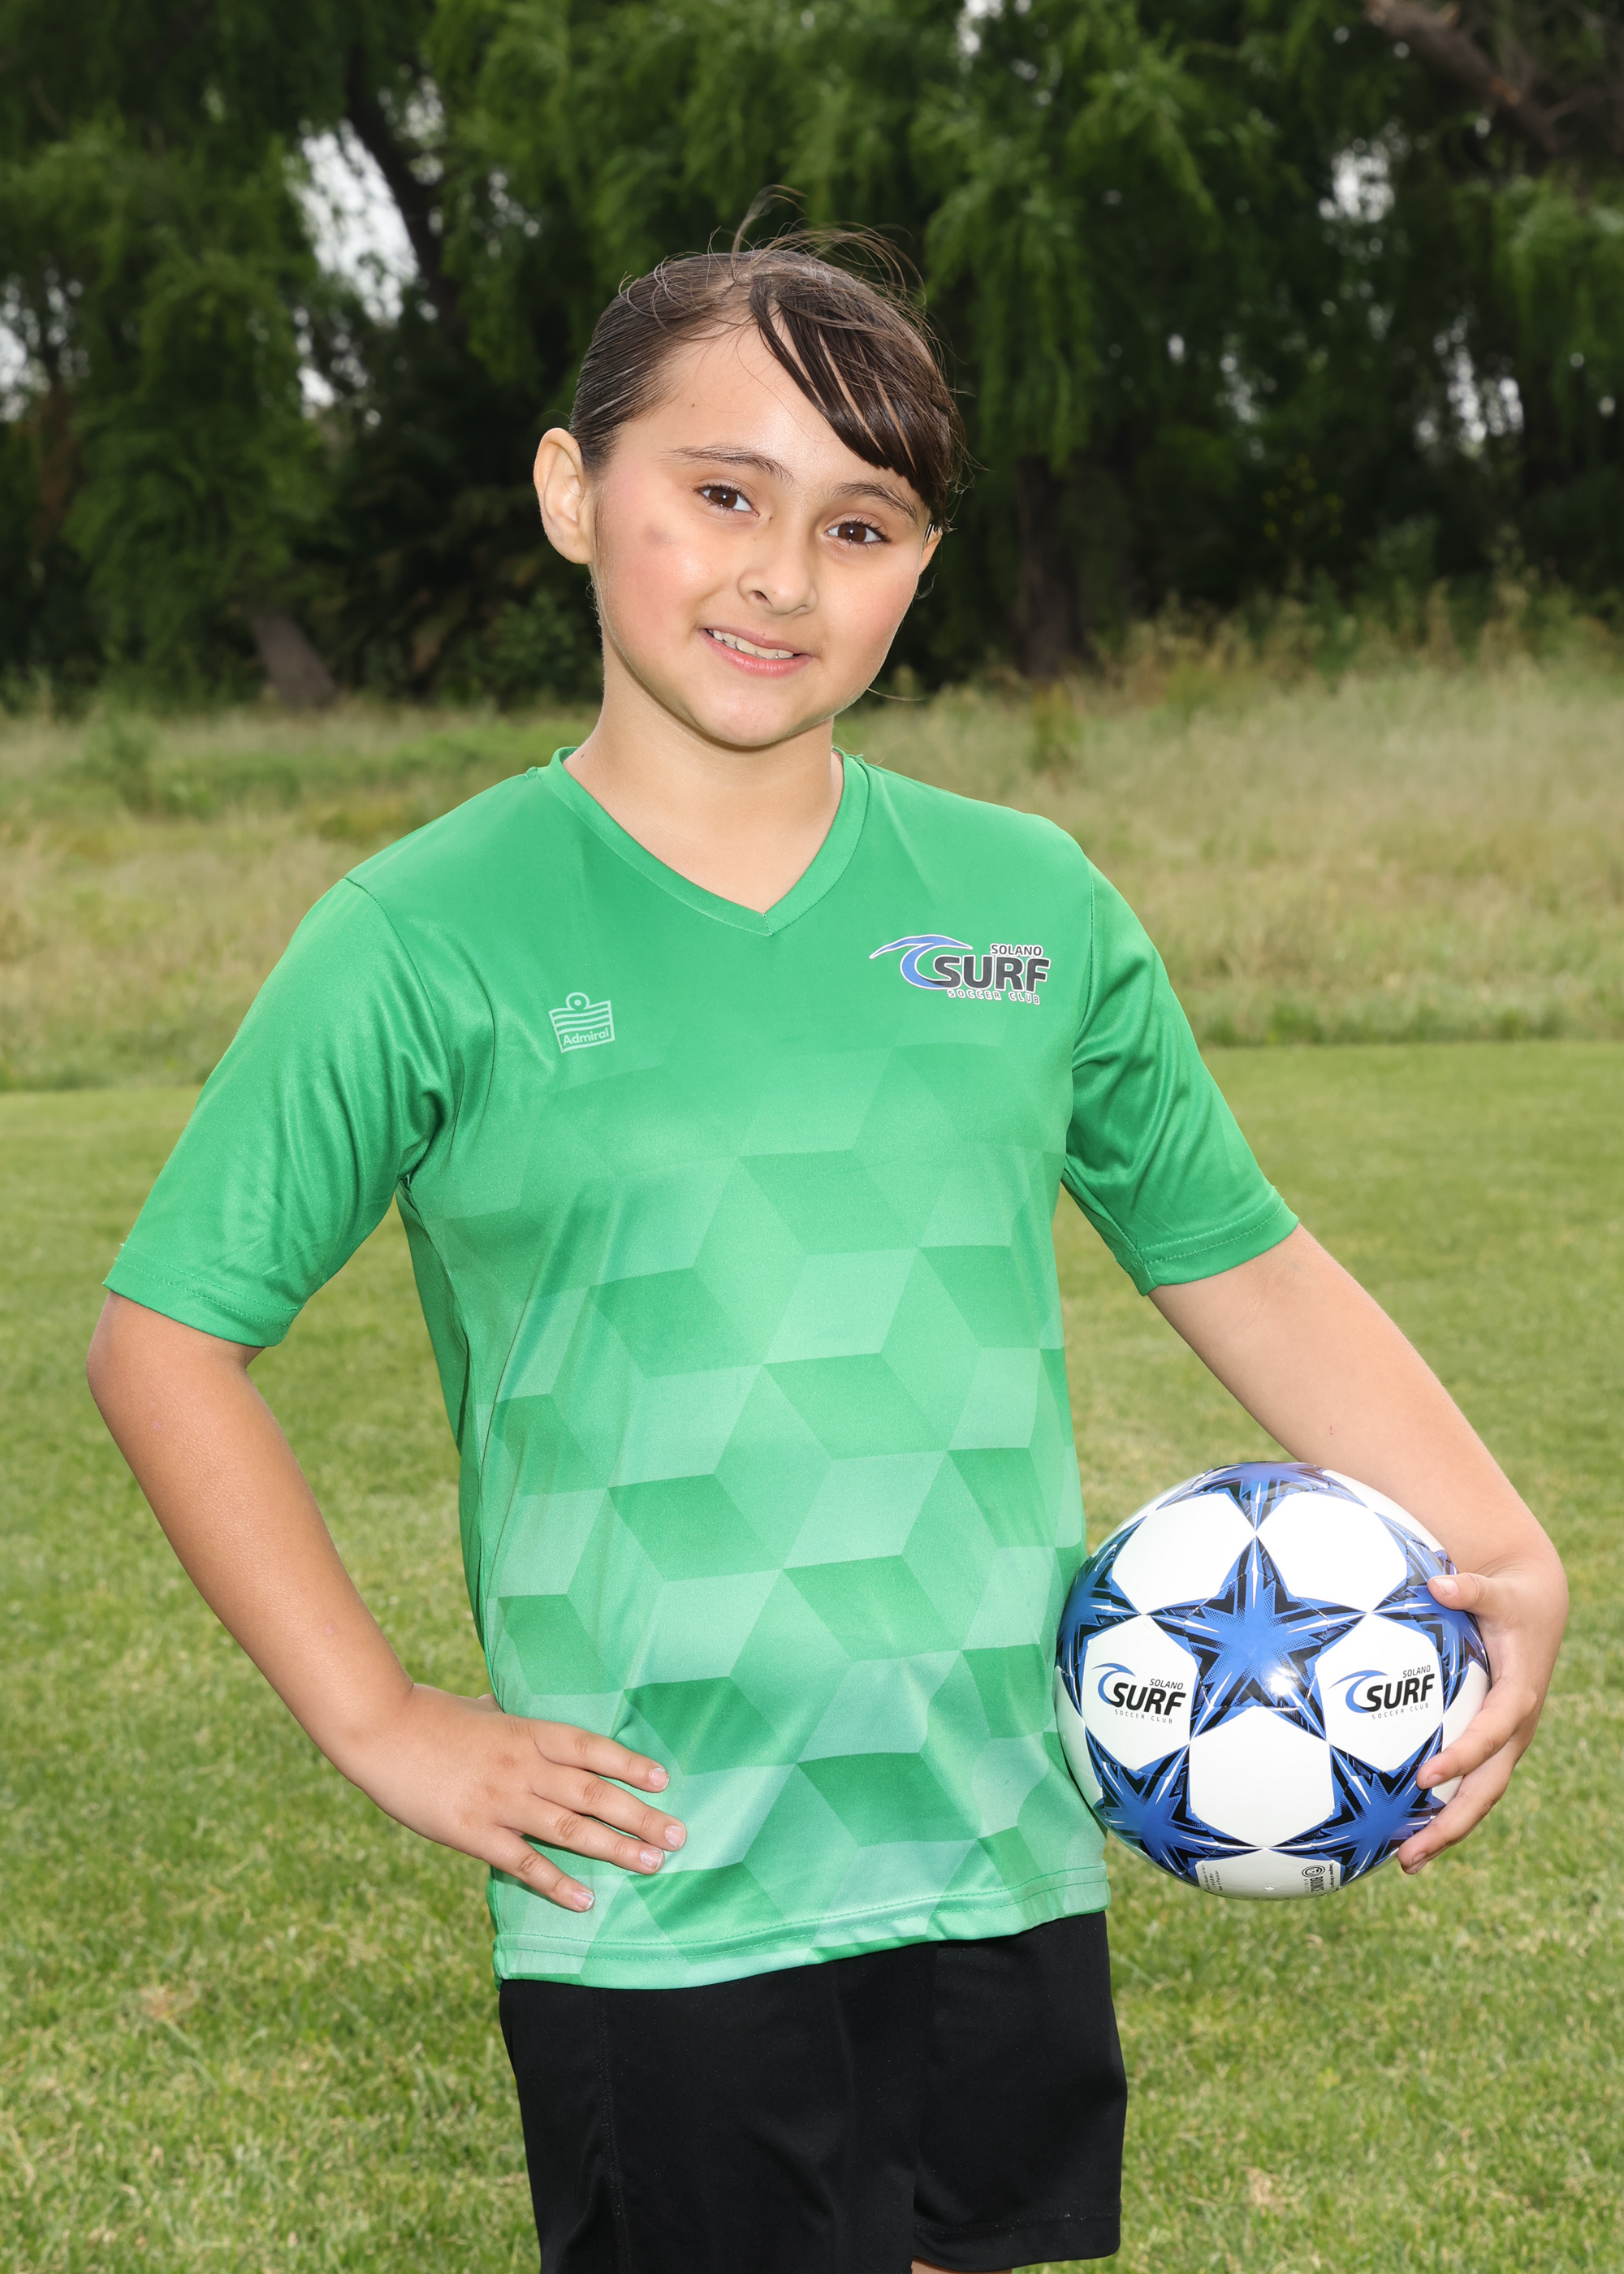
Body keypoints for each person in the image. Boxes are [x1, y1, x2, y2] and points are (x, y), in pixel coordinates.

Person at [87, 237, 1568, 2274]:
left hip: (997, 1835)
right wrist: (378, 1712)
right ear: (569, 491)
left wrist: (1499, 1541)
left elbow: (1238, 1252)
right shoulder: (423, 935)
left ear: (920, 566)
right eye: (723, 492)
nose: (782, 574)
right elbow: (166, 1337)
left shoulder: (1029, 904)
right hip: (663, 1878)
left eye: (858, 524)